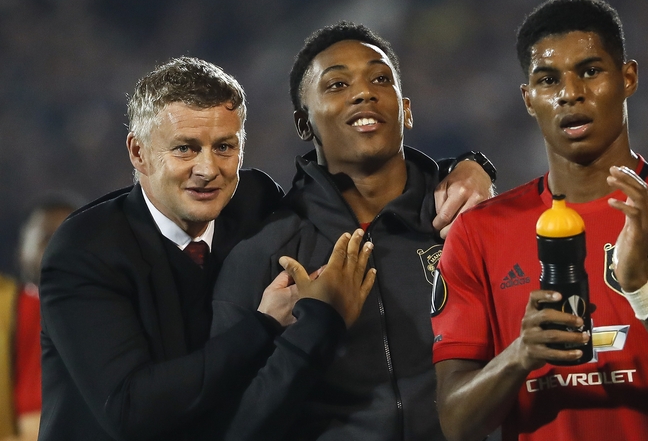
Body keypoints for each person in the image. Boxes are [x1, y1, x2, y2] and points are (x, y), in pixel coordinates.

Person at [38, 55, 489, 440]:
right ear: (138, 153)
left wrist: (466, 169)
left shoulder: (252, 201)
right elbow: (131, 411)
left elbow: (354, 183)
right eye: (185, 149)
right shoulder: (84, 251)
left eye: (224, 147)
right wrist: (264, 324)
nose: (207, 169)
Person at [431, 0, 648, 441]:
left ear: (628, 77)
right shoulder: (478, 234)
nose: (570, 93)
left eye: (589, 71)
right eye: (549, 80)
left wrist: (643, 290)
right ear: (529, 99)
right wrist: (520, 355)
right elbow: (455, 424)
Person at [211, 21, 495, 441]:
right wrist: (314, 327)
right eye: (337, 84)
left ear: (407, 109)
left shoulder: (467, 220)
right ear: (303, 124)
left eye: (380, 78)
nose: (364, 92)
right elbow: (229, 424)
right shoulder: (266, 253)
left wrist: (478, 167)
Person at [0, 197, 77, 441]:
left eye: (70, 238)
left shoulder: (111, 313)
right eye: (46, 237)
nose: (58, 247)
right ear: (22, 247)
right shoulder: (5, 307)